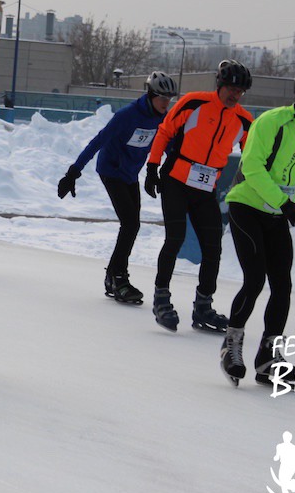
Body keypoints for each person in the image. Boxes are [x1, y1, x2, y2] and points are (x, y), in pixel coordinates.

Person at [220, 69, 295, 387]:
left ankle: (269, 358)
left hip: (275, 215)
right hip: (246, 205)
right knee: (255, 279)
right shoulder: (272, 122)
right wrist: (283, 202)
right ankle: (231, 345)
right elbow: (251, 165)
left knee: (282, 286)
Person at [144, 59, 254, 332]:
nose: (235, 95)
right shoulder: (194, 102)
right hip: (176, 180)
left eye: (240, 91)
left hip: (205, 189)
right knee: (175, 238)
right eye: (231, 88)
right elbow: (165, 131)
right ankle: (161, 298)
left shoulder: (244, 120)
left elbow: (253, 156)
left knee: (213, 247)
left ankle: (203, 306)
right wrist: (152, 167)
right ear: (220, 84)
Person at [58, 71, 178, 304]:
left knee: (133, 225)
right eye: (163, 98)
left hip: (131, 174)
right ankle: (118, 277)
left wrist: (162, 172)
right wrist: (73, 172)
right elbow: (98, 141)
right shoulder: (127, 116)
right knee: (130, 223)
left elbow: (168, 146)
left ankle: (113, 276)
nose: (166, 103)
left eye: (169, 99)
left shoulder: (162, 118)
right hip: (111, 171)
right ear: (151, 94)